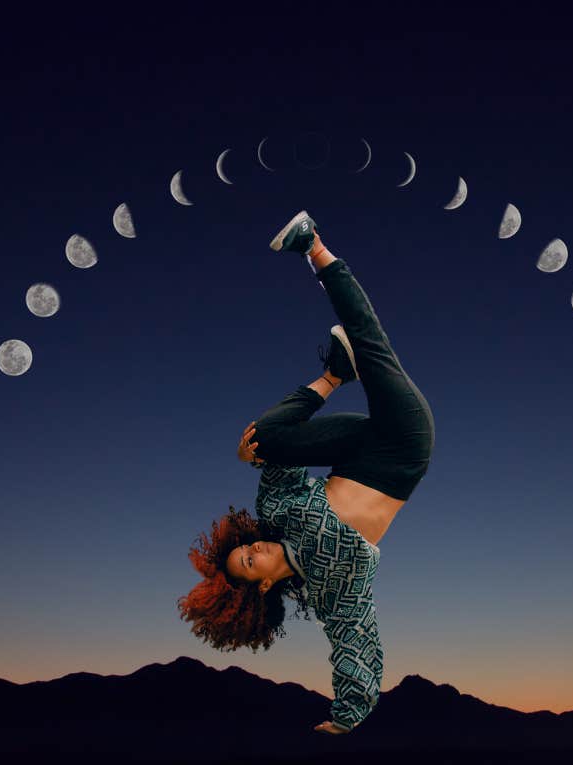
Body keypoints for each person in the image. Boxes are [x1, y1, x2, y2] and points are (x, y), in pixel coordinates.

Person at [176, 210, 436, 735]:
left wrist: (254, 458)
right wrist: (346, 717)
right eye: (250, 563)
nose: (255, 550)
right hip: (405, 448)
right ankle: (316, 249)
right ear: (265, 586)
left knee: (264, 437)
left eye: (246, 548)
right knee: (373, 344)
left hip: (358, 447)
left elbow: (273, 456)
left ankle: (332, 371)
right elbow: (354, 642)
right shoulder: (330, 591)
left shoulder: (279, 513)